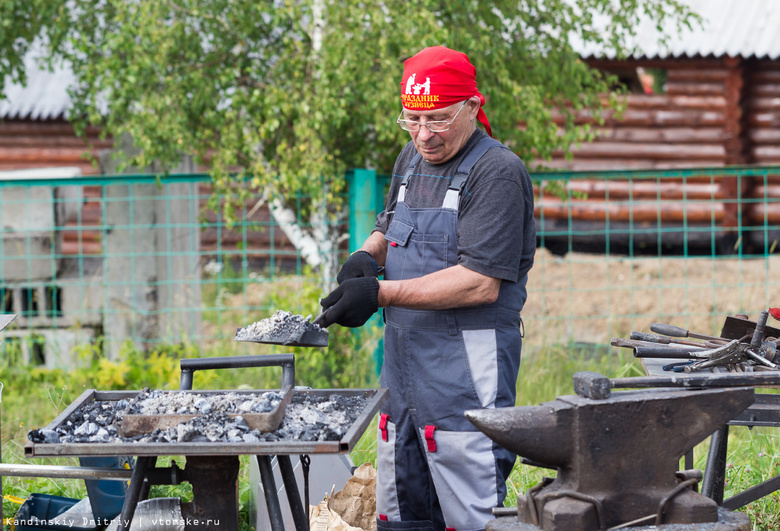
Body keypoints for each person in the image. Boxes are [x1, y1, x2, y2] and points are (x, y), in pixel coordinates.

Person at [317, 45, 536, 531]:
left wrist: (378, 295)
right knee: (400, 510)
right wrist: (365, 255)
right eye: (412, 121)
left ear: (472, 107)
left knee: (469, 512)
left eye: (437, 121)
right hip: (403, 371)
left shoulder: (496, 172)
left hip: (464, 374)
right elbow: (391, 225)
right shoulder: (412, 159)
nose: (423, 136)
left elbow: (480, 283)